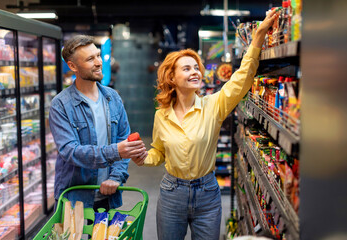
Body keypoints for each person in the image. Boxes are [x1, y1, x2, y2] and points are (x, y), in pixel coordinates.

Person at [131, 9, 280, 240]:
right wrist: (144, 158)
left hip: (208, 193)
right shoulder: (162, 115)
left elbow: (242, 78)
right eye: (187, 68)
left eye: (196, 68)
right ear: (171, 77)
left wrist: (258, 37)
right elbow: (159, 152)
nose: (195, 72)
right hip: (172, 193)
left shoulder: (213, 105)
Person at [49, 35, 146, 210]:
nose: (99, 62)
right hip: (73, 198)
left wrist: (116, 177)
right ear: (73, 66)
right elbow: (70, 151)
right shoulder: (61, 104)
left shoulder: (113, 97)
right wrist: (116, 151)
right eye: (90, 59)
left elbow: (123, 139)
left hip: (107, 196)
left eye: (98, 55)